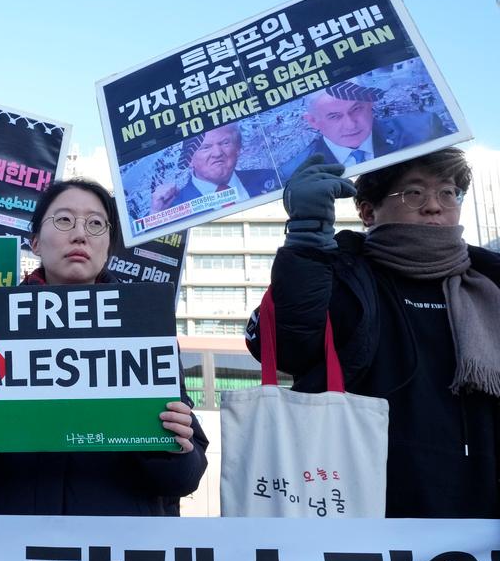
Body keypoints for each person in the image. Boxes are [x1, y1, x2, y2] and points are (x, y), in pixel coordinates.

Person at [0, 178, 208, 515]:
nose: (80, 234)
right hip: (9, 549)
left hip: (115, 553)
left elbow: (186, 476)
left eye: (95, 224)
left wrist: (172, 447)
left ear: (108, 247)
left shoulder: (143, 327)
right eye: (63, 220)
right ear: (35, 243)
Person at [246, 149, 500, 518]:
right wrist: (306, 238)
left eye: (448, 192)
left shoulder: (489, 281)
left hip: (482, 522)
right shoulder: (337, 273)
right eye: (414, 193)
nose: (434, 206)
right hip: (363, 512)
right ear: (367, 211)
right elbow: (289, 347)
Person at [280, 81, 451, 180]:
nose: (350, 124)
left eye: (356, 109)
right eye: (334, 117)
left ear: (370, 103)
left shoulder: (423, 129)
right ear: (312, 121)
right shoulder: (295, 172)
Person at [151, 124, 280, 214]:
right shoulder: (170, 210)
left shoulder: (269, 177)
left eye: (225, 143)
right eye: (205, 147)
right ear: (189, 159)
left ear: (238, 148)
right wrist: (156, 217)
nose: (217, 153)